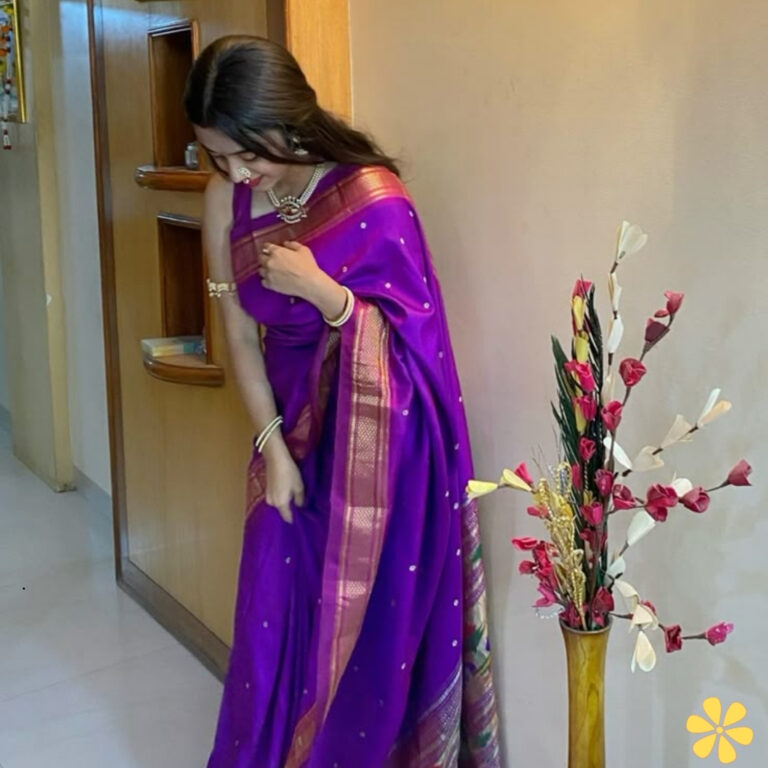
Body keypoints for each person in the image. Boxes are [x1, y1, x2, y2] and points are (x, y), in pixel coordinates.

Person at [185, 35, 500, 768]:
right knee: (273, 637)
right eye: (218, 155)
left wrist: (325, 296)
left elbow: (418, 355)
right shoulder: (223, 199)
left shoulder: (371, 196)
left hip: (384, 459)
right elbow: (236, 334)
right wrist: (271, 447)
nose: (236, 172)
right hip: (289, 443)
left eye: (248, 154)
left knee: (371, 642)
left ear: (288, 118)